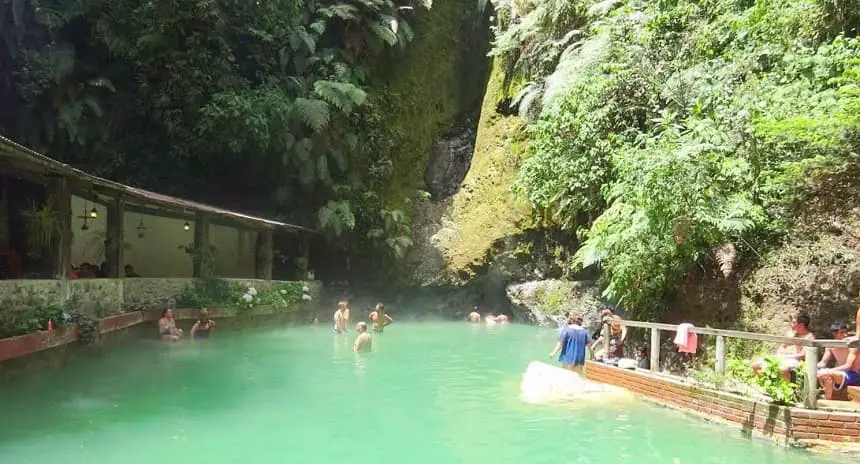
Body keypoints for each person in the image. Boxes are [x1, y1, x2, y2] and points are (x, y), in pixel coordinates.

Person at [752, 311, 815, 380]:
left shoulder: (809, 337)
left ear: (801, 325)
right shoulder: (790, 333)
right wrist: (777, 356)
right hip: (782, 357)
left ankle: (785, 389)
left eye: (793, 322)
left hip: (795, 360)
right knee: (756, 365)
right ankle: (763, 385)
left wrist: (786, 357)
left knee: (783, 368)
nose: (791, 324)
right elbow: (782, 347)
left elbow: (803, 355)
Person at [818, 323, 860, 399]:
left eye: (846, 332)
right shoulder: (830, 346)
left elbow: (848, 365)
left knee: (827, 374)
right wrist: (812, 368)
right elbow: (823, 362)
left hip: (854, 374)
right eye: (841, 332)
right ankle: (828, 400)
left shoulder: (852, 345)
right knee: (824, 374)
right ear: (834, 333)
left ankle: (829, 400)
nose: (845, 335)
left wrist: (829, 370)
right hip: (840, 372)